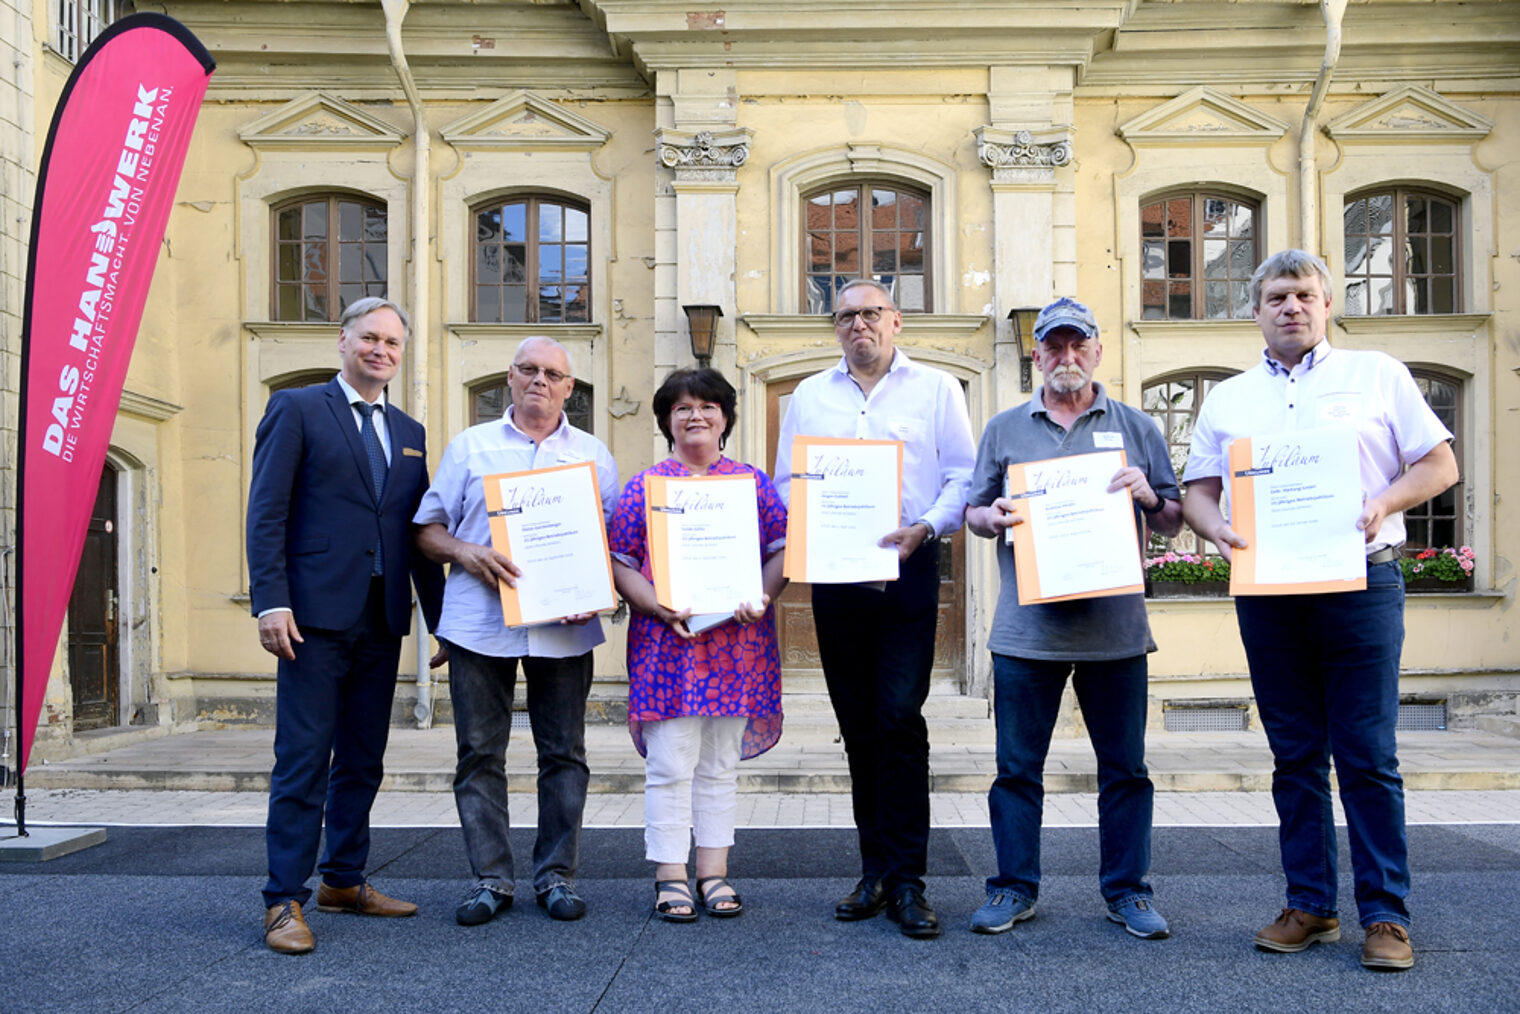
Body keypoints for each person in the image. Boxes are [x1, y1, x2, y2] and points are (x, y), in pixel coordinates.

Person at [1182, 249, 1459, 971]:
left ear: (1327, 304)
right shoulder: (1230, 396)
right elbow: (1199, 491)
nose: (1291, 307)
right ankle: (1310, 903)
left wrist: (1384, 501)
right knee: (1295, 754)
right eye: (1277, 297)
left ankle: (1386, 916)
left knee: (1367, 754)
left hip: (1362, 584)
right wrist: (1212, 528)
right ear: (1255, 311)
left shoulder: (1377, 375)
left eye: (1304, 295)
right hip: (1270, 593)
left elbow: (1439, 464)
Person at [963, 297, 1181, 941]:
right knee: (1016, 770)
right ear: (1037, 356)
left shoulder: (1137, 427)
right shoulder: (1005, 428)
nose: (1066, 357)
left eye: (1076, 345)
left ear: (1096, 351)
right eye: (1053, 347)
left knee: (1126, 770)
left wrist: (1148, 496)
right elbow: (973, 515)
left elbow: (1172, 515)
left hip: (1116, 632)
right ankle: (1013, 888)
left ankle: (1128, 891)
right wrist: (993, 517)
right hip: (1027, 633)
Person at [773, 278, 975, 938]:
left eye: (870, 314)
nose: (858, 325)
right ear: (835, 329)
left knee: (899, 717)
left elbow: (962, 477)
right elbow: (785, 484)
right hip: (834, 577)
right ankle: (875, 872)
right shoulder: (808, 395)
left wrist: (928, 525)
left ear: (895, 322)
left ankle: (911, 879)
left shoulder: (938, 389)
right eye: (845, 316)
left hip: (909, 566)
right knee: (859, 725)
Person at [246, 296, 446, 955]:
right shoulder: (298, 409)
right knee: (303, 758)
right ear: (343, 340)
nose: (380, 350)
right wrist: (270, 600)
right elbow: (266, 511)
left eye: (392, 342)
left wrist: (442, 624)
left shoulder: (411, 431)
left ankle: (344, 879)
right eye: (369, 338)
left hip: (382, 619)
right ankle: (283, 900)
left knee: (363, 758)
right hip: (309, 619)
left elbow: (418, 534)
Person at [414, 337, 619, 927]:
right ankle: (491, 879)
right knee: (479, 754)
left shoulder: (593, 454)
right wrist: (466, 552)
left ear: (568, 389)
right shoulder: (469, 448)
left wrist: (596, 592)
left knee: (564, 755)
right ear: (509, 377)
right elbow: (427, 531)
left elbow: (612, 541)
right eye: (529, 369)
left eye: (553, 374)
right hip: (479, 627)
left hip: (564, 628)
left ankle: (556, 876)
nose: (540, 381)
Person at [608, 368, 787, 922]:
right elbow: (620, 563)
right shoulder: (645, 487)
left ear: (726, 418)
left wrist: (760, 592)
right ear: (667, 420)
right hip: (668, 646)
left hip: (737, 645)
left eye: (708, 406)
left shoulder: (753, 484)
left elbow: (782, 550)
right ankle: (669, 876)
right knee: (670, 764)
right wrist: (654, 602)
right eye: (682, 407)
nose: (696, 416)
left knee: (719, 765)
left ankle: (714, 873)